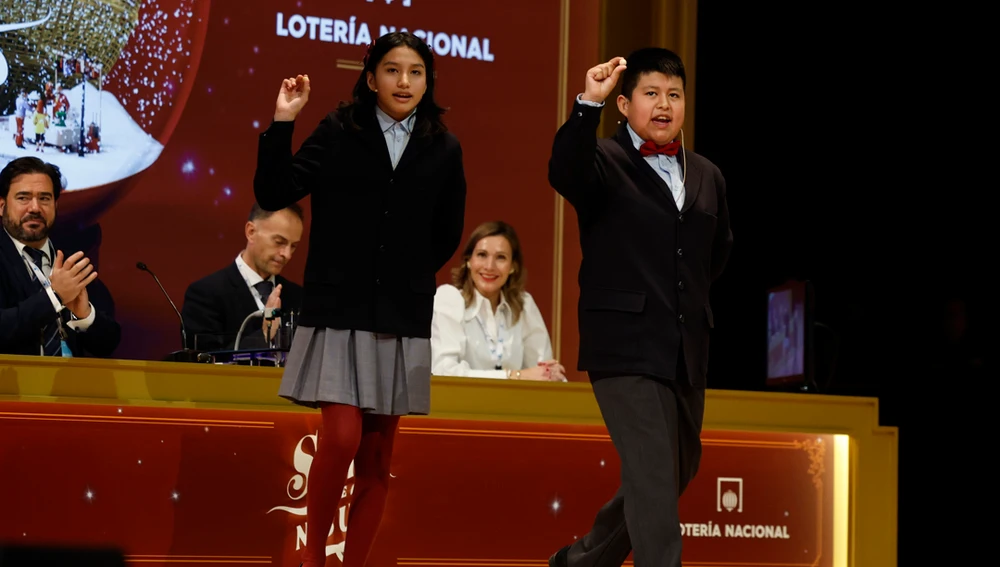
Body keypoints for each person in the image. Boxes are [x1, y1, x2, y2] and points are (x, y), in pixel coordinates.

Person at [253, 32, 466, 567]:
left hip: (400, 313)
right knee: (343, 436)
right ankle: (314, 562)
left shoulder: (444, 146)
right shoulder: (339, 128)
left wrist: (403, 272)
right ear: (371, 78)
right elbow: (275, 191)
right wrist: (284, 120)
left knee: (376, 458)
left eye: (416, 72)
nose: (404, 82)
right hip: (340, 308)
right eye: (392, 70)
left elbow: (447, 233)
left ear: (427, 82)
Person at [546, 48, 733, 567]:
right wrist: (587, 104)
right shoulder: (603, 159)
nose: (664, 105)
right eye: (651, 94)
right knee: (653, 472)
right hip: (623, 345)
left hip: (684, 346)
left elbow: (714, 256)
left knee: (676, 469)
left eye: (674, 95)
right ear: (625, 104)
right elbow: (564, 170)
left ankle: (580, 562)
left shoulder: (708, 175)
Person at [0, 157, 121, 357]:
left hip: (72, 384)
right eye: (23, 198)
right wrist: (54, 297)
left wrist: (85, 316)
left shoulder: (73, 261)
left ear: (56, 205)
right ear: (2, 205)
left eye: (44, 198)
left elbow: (109, 344)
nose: (35, 208)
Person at [431, 221, 565, 381]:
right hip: (462, 404)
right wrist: (515, 376)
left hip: (516, 404)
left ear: (513, 266)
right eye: (482, 255)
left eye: (500, 258)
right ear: (468, 261)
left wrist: (552, 374)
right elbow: (445, 371)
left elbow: (542, 370)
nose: (489, 266)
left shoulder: (524, 304)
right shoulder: (449, 299)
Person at [181, 202, 305, 352]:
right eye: (279, 242)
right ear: (251, 232)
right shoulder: (205, 294)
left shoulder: (298, 297)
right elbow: (203, 363)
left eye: (293, 246)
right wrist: (264, 335)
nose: (287, 254)